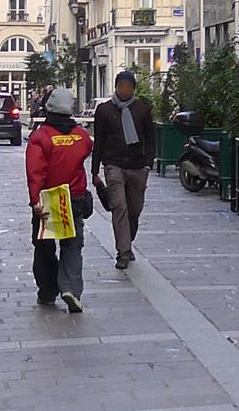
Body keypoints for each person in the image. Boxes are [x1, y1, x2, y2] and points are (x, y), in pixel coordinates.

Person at [26, 87, 94, 312]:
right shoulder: (82, 137)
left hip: (48, 199)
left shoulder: (40, 137)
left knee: (44, 245)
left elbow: (35, 172)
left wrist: (35, 199)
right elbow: (86, 151)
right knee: (72, 244)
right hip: (73, 198)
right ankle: (71, 289)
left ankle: (47, 291)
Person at [91, 70, 157, 270]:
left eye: (128, 87)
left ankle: (127, 240)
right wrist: (95, 171)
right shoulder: (104, 111)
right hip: (114, 165)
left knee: (134, 209)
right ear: (116, 87)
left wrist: (147, 164)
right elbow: (99, 141)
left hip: (137, 166)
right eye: (121, 86)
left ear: (133, 89)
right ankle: (123, 251)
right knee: (119, 206)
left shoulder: (142, 110)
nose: (125, 90)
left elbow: (151, 138)